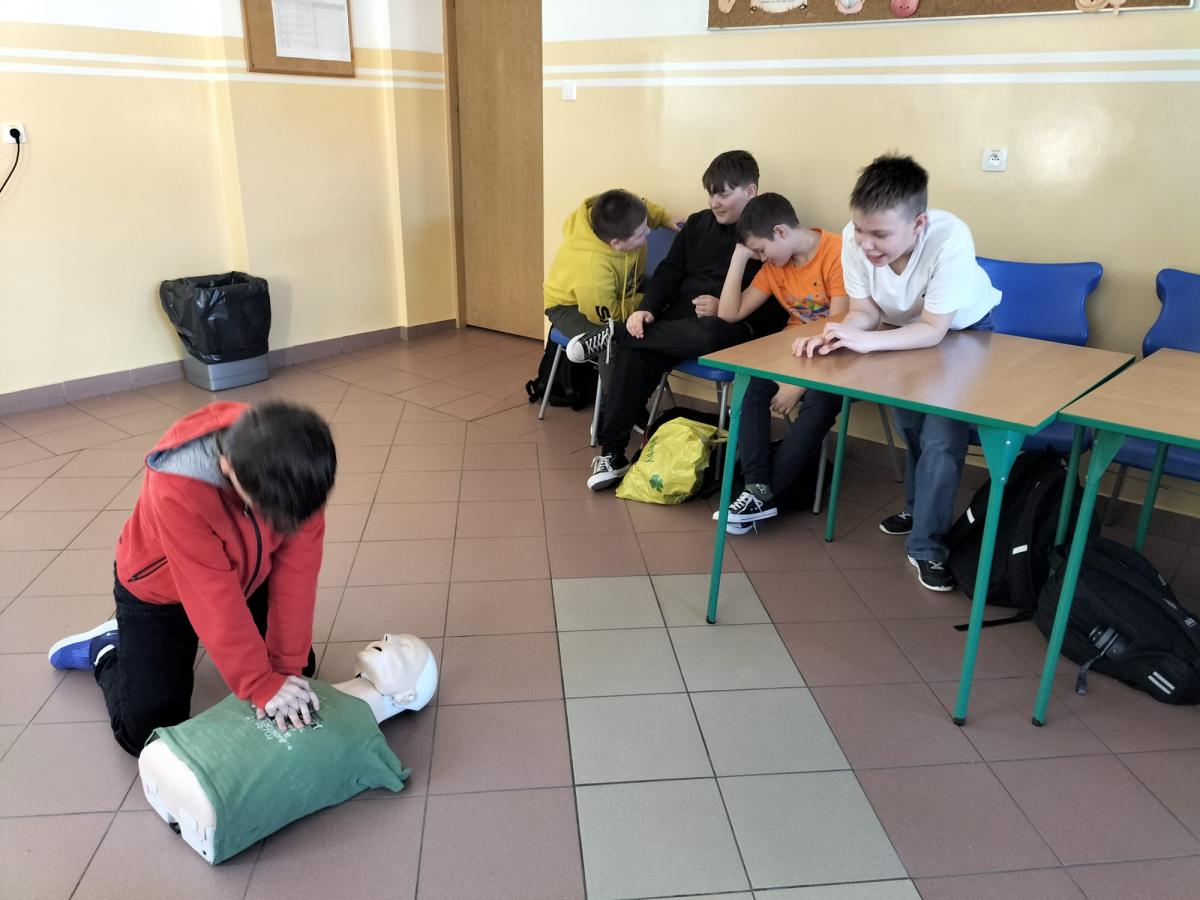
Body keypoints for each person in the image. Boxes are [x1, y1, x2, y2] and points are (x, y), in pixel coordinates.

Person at [47, 400, 337, 755]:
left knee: (298, 672)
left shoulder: (299, 467)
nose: (277, 520)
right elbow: (213, 598)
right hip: (161, 592)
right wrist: (260, 683)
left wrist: (285, 671)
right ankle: (108, 649)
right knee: (149, 733)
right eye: (267, 508)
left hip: (245, 575)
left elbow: (297, 579)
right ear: (228, 467)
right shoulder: (178, 487)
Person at [792, 154, 1000, 591]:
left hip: (962, 331)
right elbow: (865, 311)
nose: (866, 244)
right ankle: (918, 509)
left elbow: (934, 328)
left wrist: (867, 341)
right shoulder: (855, 237)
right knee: (910, 424)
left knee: (942, 437)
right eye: (861, 231)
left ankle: (927, 546)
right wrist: (837, 334)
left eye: (881, 235)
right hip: (897, 330)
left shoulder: (950, 238)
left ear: (918, 223)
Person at [573, 150, 789, 490]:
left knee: (708, 333)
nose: (714, 202)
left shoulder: (768, 232)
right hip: (678, 322)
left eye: (723, 194)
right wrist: (647, 309)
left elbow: (779, 301)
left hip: (732, 327)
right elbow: (669, 271)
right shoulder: (699, 223)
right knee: (634, 349)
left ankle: (616, 334)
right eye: (710, 194)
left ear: (750, 191)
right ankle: (612, 454)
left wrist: (724, 307)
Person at [713, 192, 847, 533]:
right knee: (749, 389)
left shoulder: (837, 252)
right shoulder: (774, 266)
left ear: (781, 232)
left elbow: (838, 330)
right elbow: (729, 313)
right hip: (792, 353)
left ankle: (763, 495)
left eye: (761, 249)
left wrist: (797, 384)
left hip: (839, 356)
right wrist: (739, 257)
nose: (761, 258)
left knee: (819, 402)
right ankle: (757, 488)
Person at [543, 188, 681, 343]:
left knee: (670, 292)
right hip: (570, 306)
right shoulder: (592, 269)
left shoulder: (620, 214)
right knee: (611, 342)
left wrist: (665, 219)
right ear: (616, 243)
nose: (648, 231)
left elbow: (641, 207)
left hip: (621, 291)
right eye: (641, 234)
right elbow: (610, 316)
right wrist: (644, 302)